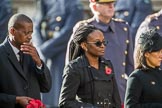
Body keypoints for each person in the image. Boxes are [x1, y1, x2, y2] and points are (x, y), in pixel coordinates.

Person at [66, 0, 134, 104]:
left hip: (120, 94)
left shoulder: (123, 28)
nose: (111, 6)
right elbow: (72, 64)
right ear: (94, 6)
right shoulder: (83, 29)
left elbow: (130, 65)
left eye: (112, 3)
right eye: (106, 3)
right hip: (91, 94)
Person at [32, 0, 84, 107]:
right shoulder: (45, 2)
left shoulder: (74, 4)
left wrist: (45, 50)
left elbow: (69, 32)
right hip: (44, 52)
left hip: (62, 53)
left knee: (57, 93)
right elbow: (36, 26)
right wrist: (40, 49)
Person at [59, 23, 121, 108]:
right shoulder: (75, 68)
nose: (103, 46)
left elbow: (116, 98)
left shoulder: (107, 65)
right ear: (84, 45)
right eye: (98, 43)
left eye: (104, 42)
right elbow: (65, 103)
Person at [0, 13, 52, 108]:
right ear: (12, 31)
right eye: (26, 32)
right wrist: (16, 100)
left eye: (31, 32)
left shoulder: (32, 52)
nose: (30, 37)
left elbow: (46, 87)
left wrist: (39, 63)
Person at [125, 28, 162, 107]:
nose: (161, 55)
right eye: (157, 51)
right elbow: (130, 106)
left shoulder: (160, 74)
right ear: (146, 53)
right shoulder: (136, 77)